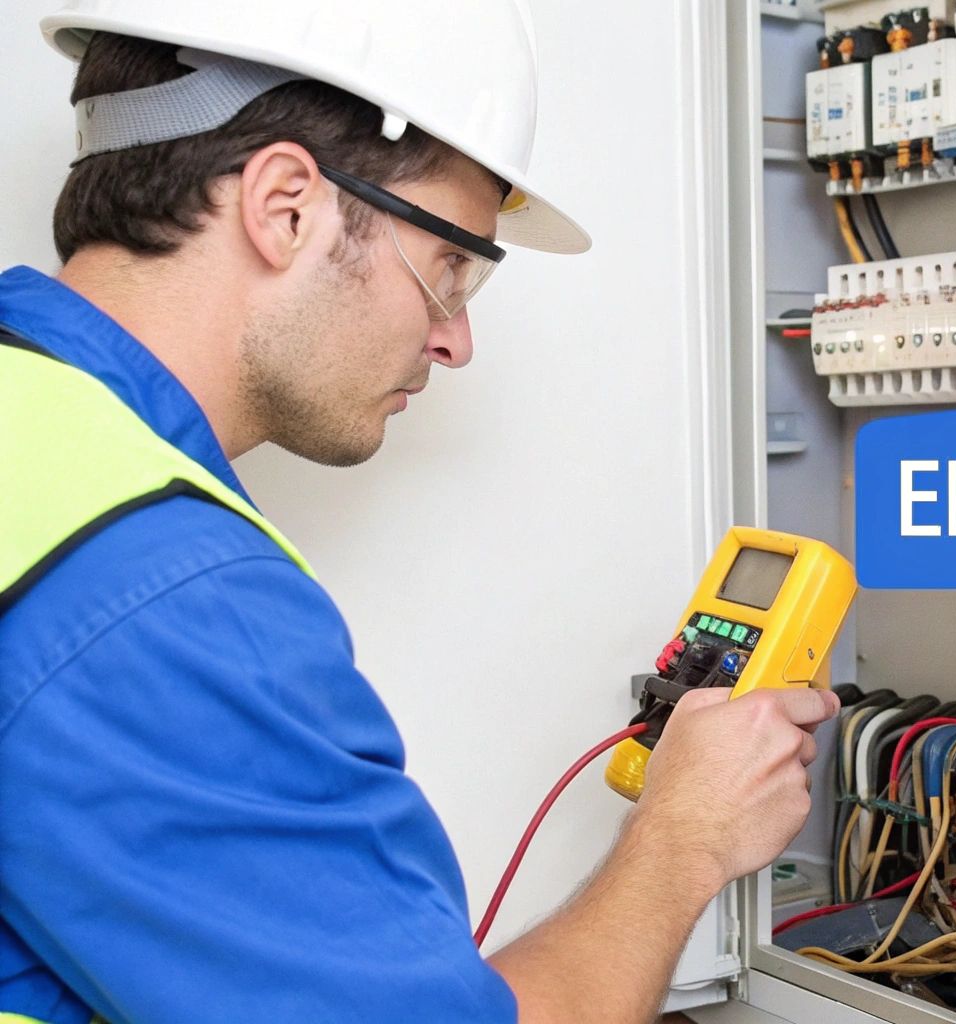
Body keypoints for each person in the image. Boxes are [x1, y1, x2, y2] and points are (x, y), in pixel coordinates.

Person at [0, 3, 837, 1022]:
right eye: (450, 266)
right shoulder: (159, 594)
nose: (456, 343)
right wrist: (683, 840)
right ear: (286, 207)